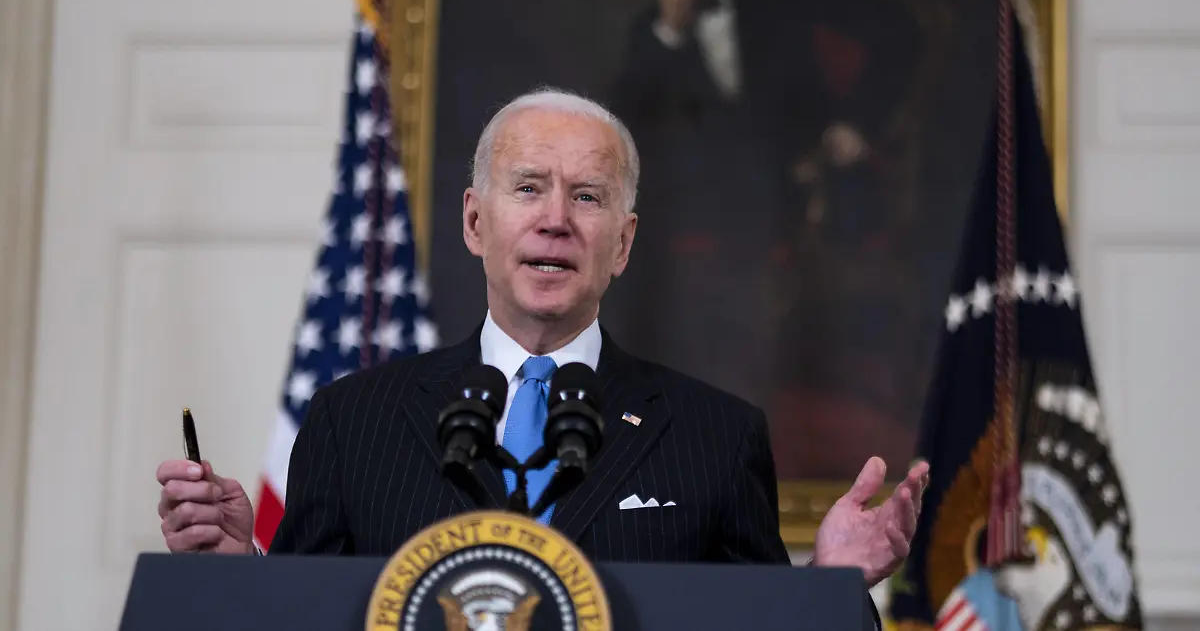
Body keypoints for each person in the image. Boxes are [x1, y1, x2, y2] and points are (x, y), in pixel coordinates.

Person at [155, 88, 929, 616]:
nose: (556, 218)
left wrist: (830, 584)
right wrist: (239, 570)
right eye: (528, 187)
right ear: (475, 222)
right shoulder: (352, 421)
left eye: (587, 196)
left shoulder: (714, 437)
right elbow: (303, 619)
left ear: (622, 242)